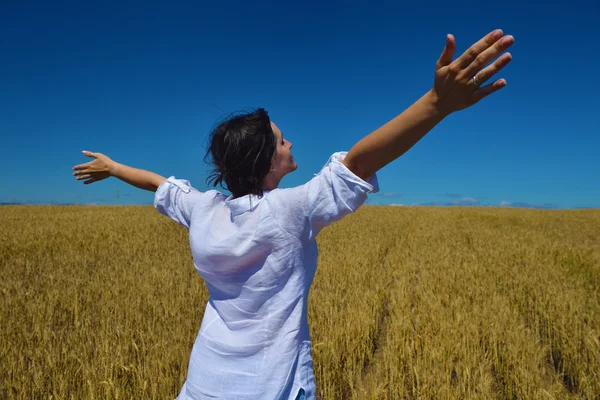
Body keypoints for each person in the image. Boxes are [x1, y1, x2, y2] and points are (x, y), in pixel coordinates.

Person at [72, 29, 514, 400]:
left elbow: (156, 183)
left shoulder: (203, 210)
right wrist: (436, 104)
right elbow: (359, 162)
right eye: (283, 142)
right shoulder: (290, 210)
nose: (291, 145)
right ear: (267, 162)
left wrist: (112, 168)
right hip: (275, 385)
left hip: (205, 382)